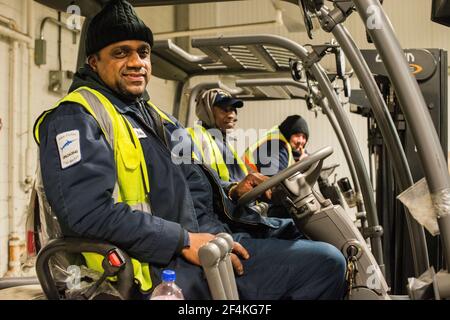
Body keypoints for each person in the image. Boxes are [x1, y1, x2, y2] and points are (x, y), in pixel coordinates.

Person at [34, 0, 346, 300]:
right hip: (159, 265)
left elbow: (189, 182)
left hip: (207, 235)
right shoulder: (76, 118)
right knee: (325, 264)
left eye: (143, 52)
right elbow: (87, 214)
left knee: (311, 236)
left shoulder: (153, 116)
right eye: (121, 53)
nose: (136, 62)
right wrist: (182, 241)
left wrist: (232, 191)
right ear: (94, 62)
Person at [187, 88, 248, 183]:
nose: (231, 115)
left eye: (232, 109)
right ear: (207, 112)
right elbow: (197, 180)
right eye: (224, 110)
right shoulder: (193, 136)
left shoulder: (224, 142)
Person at [244, 115, 309, 176]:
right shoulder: (276, 147)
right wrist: (300, 167)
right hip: (250, 186)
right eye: (297, 135)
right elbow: (279, 183)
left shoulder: (288, 148)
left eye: (304, 137)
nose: (300, 141)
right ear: (288, 134)